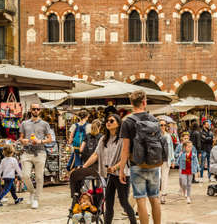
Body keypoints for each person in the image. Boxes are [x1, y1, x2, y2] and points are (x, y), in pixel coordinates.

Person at [71, 114, 136, 224]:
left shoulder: (122, 139)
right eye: (107, 121)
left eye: (111, 121)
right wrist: (83, 167)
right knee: (108, 204)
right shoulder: (103, 139)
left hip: (122, 174)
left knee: (124, 202)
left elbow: (127, 156)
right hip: (108, 175)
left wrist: (115, 167)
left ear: (118, 124)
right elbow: (95, 155)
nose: (108, 122)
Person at [119, 90, 162, 224]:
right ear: (144, 102)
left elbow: (125, 148)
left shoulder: (127, 122)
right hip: (153, 163)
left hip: (136, 164)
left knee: (140, 199)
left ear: (131, 104)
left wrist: (121, 170)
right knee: (155, 198)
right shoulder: (153, 119)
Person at [19, 103, 52, 209]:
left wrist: (40, 141)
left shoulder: (45, 124)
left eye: (38, 109)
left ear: (40, 110)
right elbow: (21, 138)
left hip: (40, 152)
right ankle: (32, 192)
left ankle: (36, 199)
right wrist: (23, 141)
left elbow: (50, 139)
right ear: (30, 110)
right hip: (27, 152)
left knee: (39, 177)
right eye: (34, 109)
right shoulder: (24, 123)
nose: (36, 111)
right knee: (25, 175)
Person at [159, 119, 175, 204]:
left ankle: (163, 196)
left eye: (164, 125)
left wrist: (172, 160)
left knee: (164, 178)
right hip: (156, 160)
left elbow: (171, 148)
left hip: (166, 160)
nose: (163, 126)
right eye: (161, 125)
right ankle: (156, 195)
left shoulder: (168, 136)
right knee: (158, 178)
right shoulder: (155, 135)